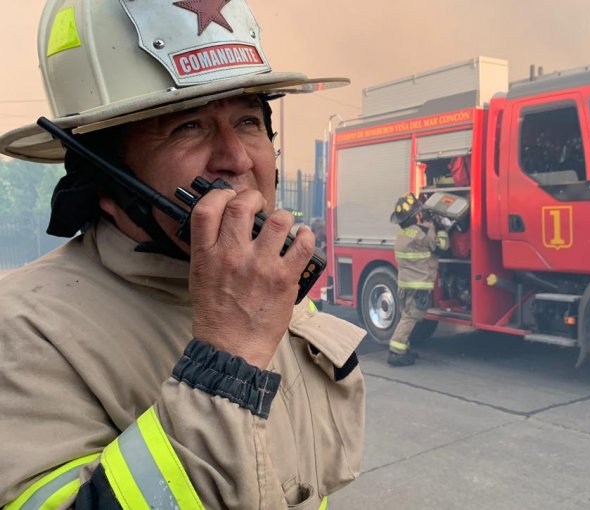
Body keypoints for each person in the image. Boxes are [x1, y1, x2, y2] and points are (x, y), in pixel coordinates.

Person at [0, 1, 365, 508]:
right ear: (104, 176)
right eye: (187, 127)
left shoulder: (268, 282)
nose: (236, 159)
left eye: (248, 121)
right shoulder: (21, 328)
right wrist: (226, 361)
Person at [387, 193, 449, 367]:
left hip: (405, 283)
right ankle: (396, 352)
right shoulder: (425, 231)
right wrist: (442, 229)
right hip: (420, 284)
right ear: (416, 215)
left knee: (405, 316)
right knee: (410, 318)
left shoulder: (402, 233)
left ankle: (403, 348)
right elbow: (442, 248)